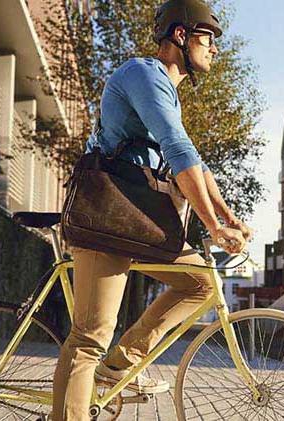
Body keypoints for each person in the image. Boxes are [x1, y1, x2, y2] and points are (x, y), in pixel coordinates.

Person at [51, 1, 252, 419]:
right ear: (181, 35)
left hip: (136, 219)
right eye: (209, 38)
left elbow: (190, 158)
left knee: (199, 282)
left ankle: (118, 367)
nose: (214, 49)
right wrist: (213, 226)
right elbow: (179, 152)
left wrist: (227, 216)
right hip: (104, 217)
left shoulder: (165, 91)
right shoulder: (142, 74)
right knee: (89, 335)